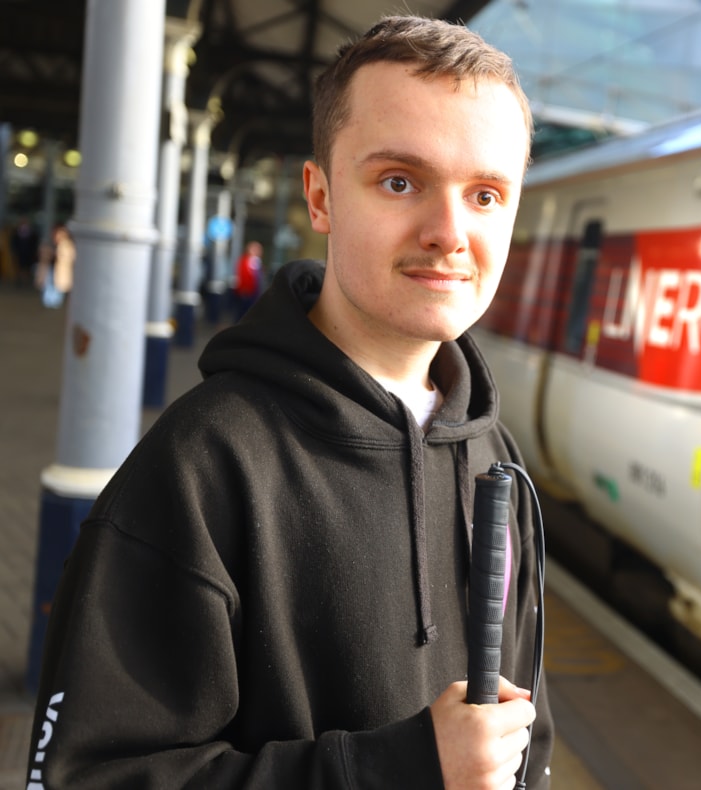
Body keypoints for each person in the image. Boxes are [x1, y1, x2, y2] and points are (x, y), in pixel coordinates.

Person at [28, 15, 552, 789]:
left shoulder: (495, 460)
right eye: (400, 181)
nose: (449, 232)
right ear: (320, 197)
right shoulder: (202, 466)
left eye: (485, 194)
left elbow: (526, 729)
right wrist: (398, 769)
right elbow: (90, 778)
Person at [232, 239, 263, 320]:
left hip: (255, 292)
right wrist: (243, 290)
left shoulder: (257, 261)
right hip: (246, 293)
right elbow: (242, 276)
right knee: (242, 313)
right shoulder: (244, 260)